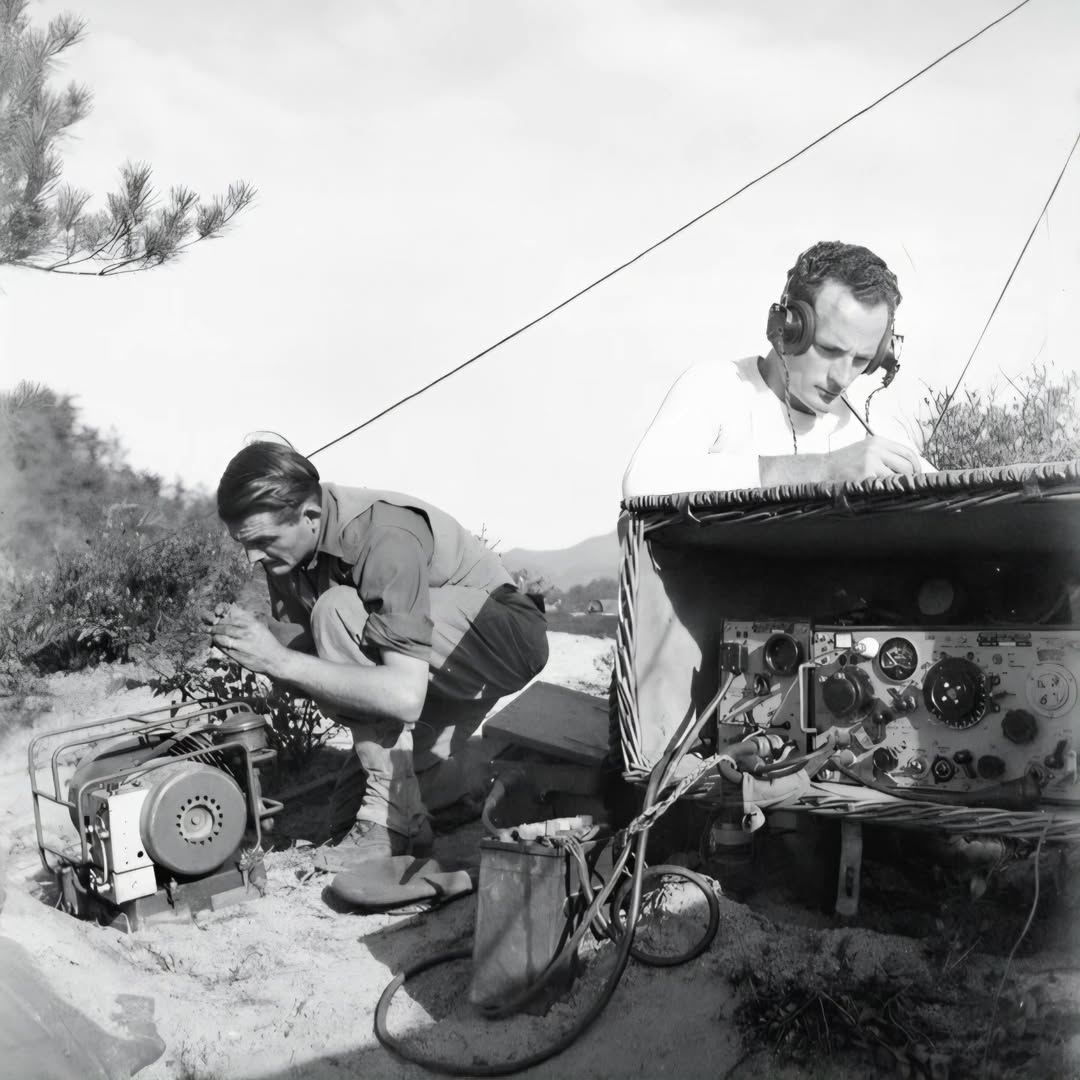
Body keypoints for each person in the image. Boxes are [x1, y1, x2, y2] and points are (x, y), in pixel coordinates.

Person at [208, 442, 549, 870]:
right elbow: (314, 660)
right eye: (244, 544)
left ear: (310, 517)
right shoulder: (288, 557)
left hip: (503, 640)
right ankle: (470, 783)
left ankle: (402, 816)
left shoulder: (382, 535)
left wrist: (277, 659)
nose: (251, 557)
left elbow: (403, 696)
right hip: (430, 667)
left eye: (262, 541)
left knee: (336, 609)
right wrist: (254, 640)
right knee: (347, 817)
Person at [622, 240, 934, 497]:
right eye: (828, 349)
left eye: (861, 360)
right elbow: (644, 481)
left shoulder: (876, 435)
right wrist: (825, 470)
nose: (842, 377)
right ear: (788, 327)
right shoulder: (719, 388)